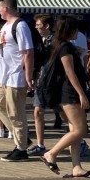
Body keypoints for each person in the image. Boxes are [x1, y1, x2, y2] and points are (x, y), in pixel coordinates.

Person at [0, 0, 35, 162]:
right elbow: (4, 47)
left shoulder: (21, 26)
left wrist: (28, 75)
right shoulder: (6, 26)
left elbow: (28, 52)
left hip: (15, 76)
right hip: (2, 76)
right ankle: (23, 138)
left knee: (16, 113)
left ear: (6, 8)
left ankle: (21, 149)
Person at [38, 16, 90, 177]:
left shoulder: (61, 45)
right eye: (76, 29)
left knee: (74, 129)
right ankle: (51, 154)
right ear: (70, 30)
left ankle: (76, 166)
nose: (78, 32)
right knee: (81, 129)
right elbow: (70, 72)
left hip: (66, 93)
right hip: (70, 93)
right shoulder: (65, 48)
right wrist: (82, 94)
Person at [29, 14, 56, 157]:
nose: (36, 27)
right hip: (41, 80)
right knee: (37, 111)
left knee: (64, 113)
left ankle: (80, 138)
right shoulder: (38, 40)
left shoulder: (56, 41)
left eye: (38, 24)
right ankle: (40, 144)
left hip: (54, 81)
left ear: (46, 26)